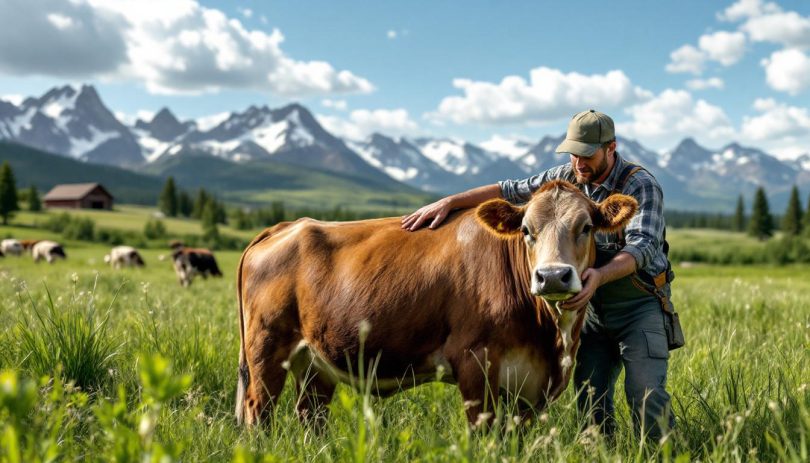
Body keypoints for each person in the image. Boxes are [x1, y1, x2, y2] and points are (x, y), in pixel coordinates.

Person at [401, 109, 676, 441]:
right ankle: (604, 453)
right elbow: (509, 190)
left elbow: (644, 246)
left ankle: (661, 453)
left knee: (645, 392)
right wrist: (450, 201)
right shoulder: (568, 175)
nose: (579, 162)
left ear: (611, 148)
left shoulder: (639, 185)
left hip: (637, 306)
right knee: (591, 396)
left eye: (587, 154)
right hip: (586, 308)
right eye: (573, 153)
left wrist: (599, 277)